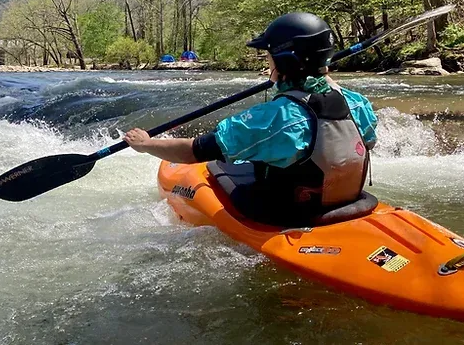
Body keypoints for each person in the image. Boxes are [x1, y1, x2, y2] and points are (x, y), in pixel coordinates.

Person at [123, 12, 378, 225]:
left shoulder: (272, 119)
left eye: (268, 57)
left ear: (284, 62)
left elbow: (193, 152)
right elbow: (368, 141)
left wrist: (145, 145)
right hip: (348, 202)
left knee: (216, 166)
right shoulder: (357, 103)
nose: (267, 63)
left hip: (292, 213)